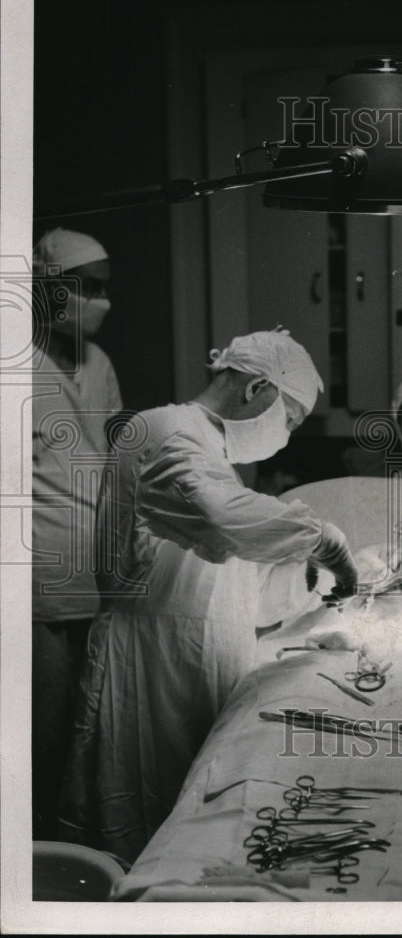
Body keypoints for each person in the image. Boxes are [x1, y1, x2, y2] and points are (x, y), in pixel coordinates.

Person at [58, 330, 358, 863]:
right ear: (256, 389)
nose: (286, 434)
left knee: (194, 835)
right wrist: (324, 539)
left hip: (195, 665)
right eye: (289, 418)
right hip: (150, 668)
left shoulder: (209, 448)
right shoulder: (161, 429)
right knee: (146, 833)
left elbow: (239, 593)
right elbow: (223, 521)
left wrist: (313, 580)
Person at [30, 227, 122, 840]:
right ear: (48, 288)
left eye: (105, 290)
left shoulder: (101, 363)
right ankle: (35, 849)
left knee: (92, 723)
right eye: (86, 289)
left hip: (99, 570)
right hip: (39, 578)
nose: (101, 302)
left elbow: (113, 453)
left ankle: (76, 833)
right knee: (46, 724)